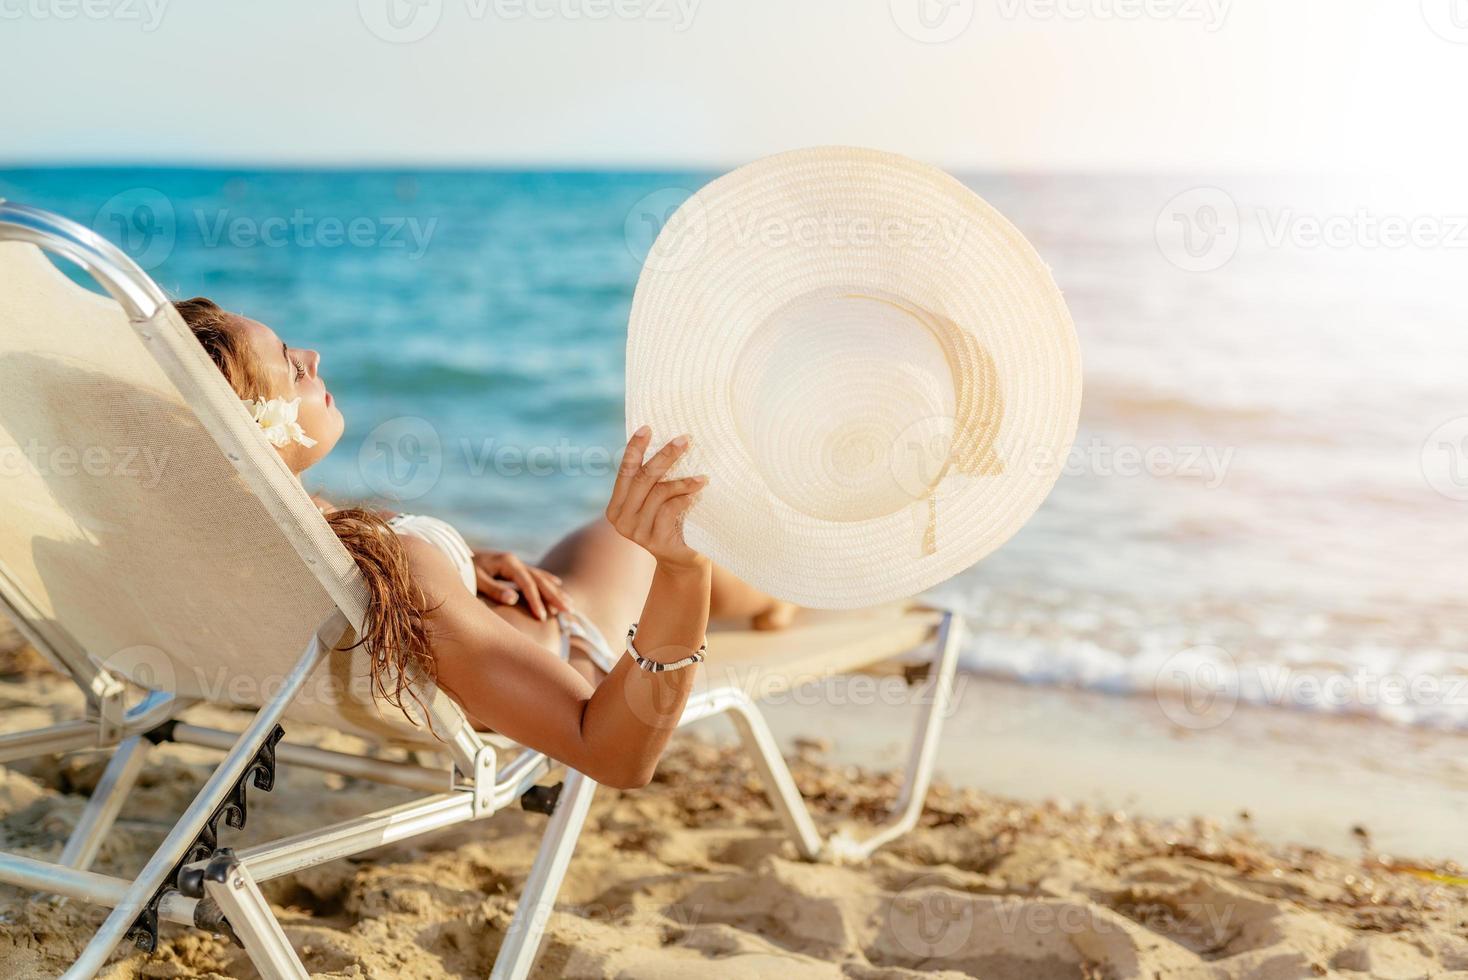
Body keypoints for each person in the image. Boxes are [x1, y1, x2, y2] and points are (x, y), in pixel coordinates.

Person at [175, 298, 797, 789]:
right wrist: (681, 573)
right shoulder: (404, 576)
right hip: (573, 643)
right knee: (645, 547)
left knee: (633, 547)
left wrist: (464, 565)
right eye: (292, 367)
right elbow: (612, 755)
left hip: (506, 612)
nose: (313, 353)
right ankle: (779, 596)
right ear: (251, 436)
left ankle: (766, 591)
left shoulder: (226, 547)